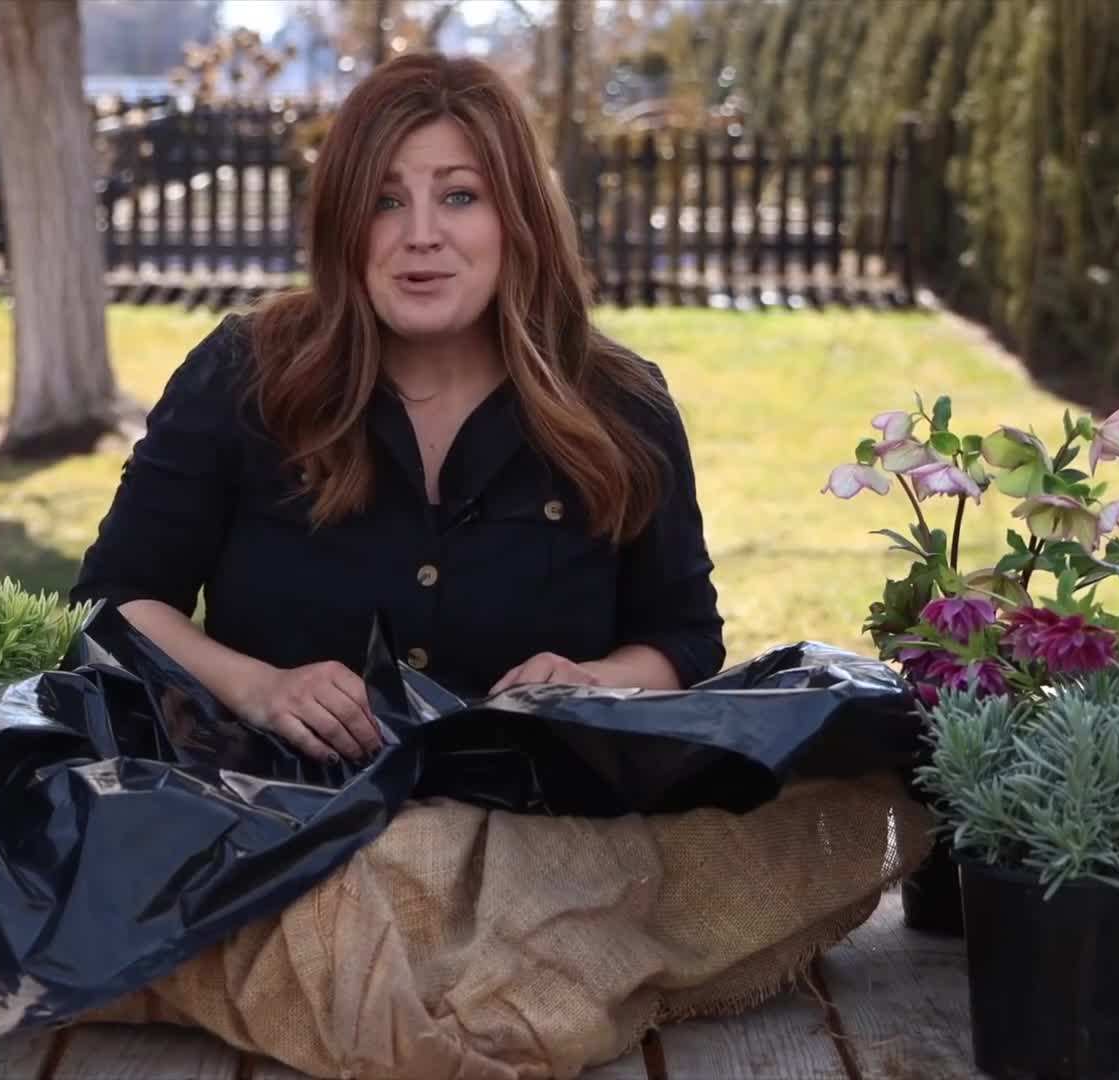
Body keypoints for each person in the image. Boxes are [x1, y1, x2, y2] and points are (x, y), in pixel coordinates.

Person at [71, 53, 722, 765]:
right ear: (344, 222)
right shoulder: (243, 376)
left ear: (519, 215)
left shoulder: (621, 404)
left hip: (547, 842)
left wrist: (593, 682)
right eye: (385, 200)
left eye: (460, 196)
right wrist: (259, 688)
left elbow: (684, 638)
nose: (420, 234)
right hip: (281, 835)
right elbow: (114, 602)